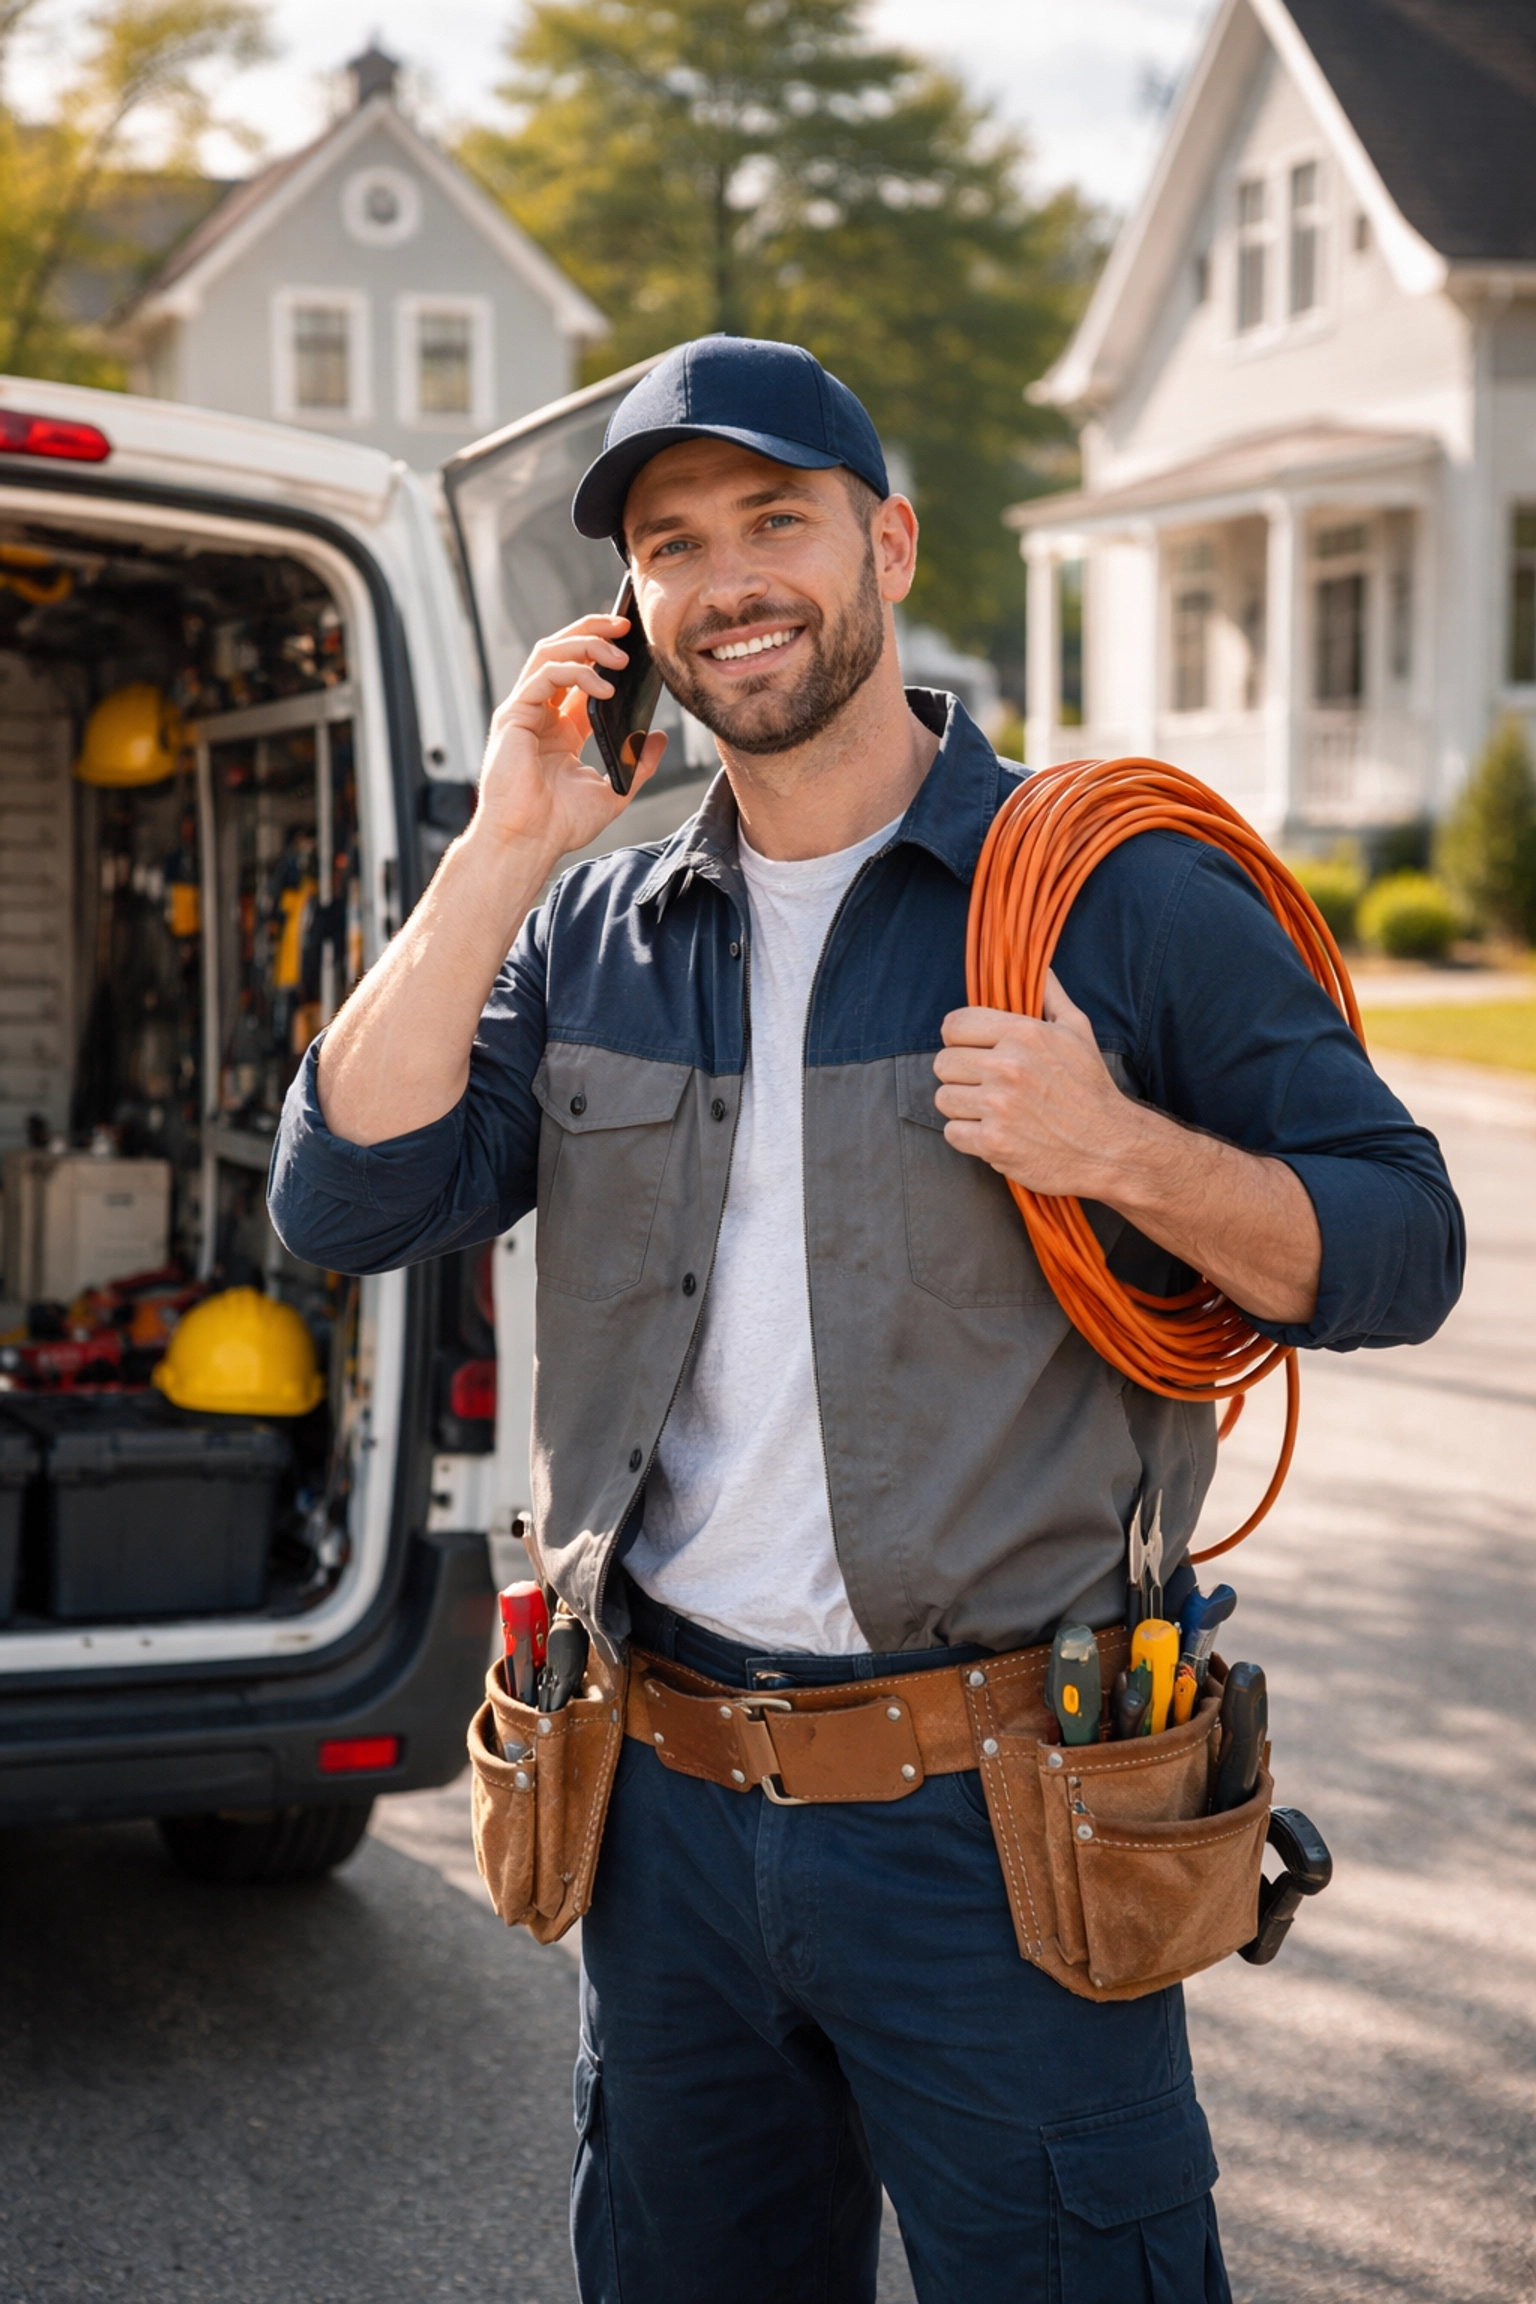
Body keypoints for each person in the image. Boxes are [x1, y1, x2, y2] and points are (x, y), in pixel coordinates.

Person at [270, 337, 1463, 2304]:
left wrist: (1119, 1149)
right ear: (631, 615)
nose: (728, 578)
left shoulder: (1113, 901)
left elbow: (1402, 1248)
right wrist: (502, 848)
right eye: (672, 546)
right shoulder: (595, 931)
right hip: (657, 1819)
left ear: (886, 543)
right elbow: (348, 1197)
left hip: (1004, 1833)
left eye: (775, 520)